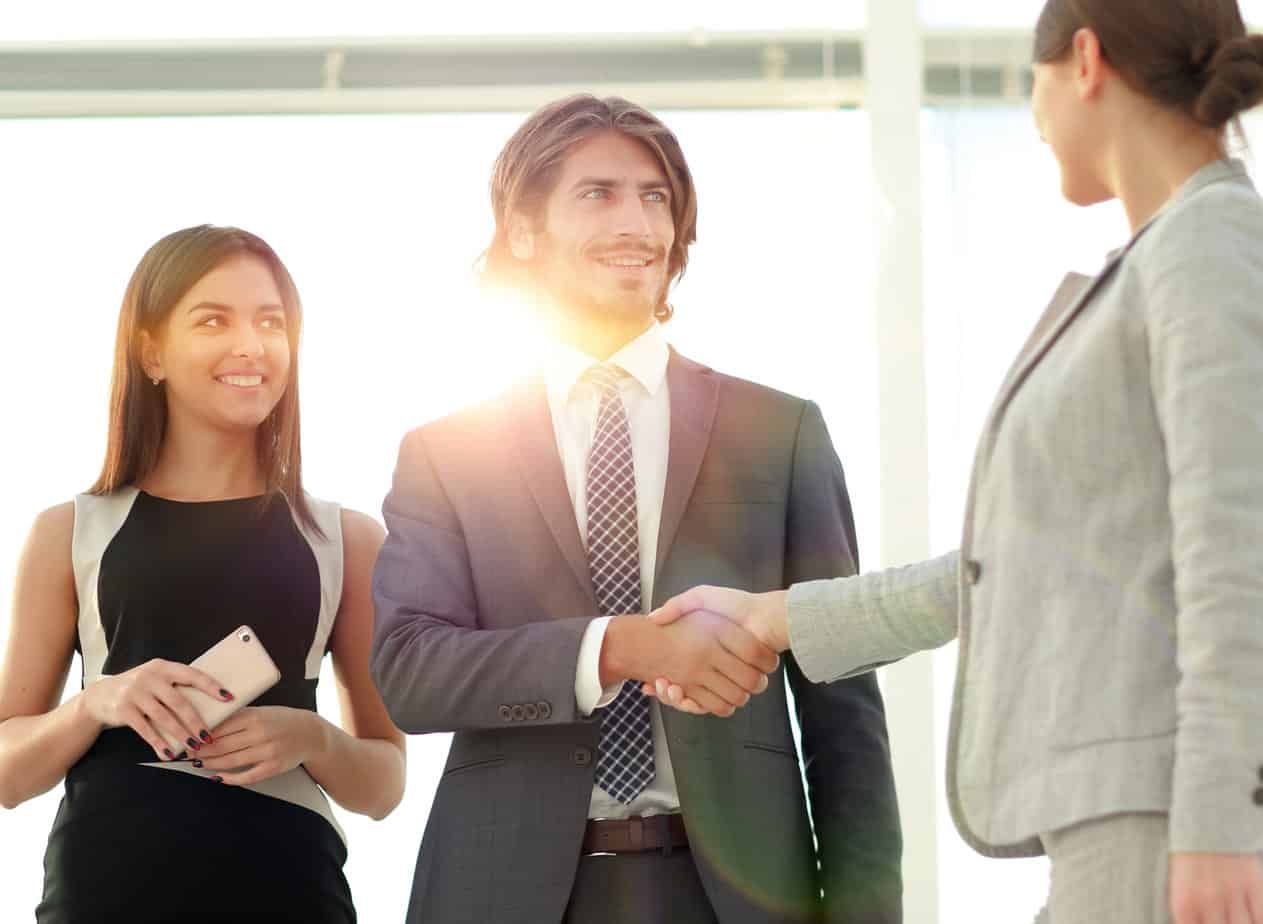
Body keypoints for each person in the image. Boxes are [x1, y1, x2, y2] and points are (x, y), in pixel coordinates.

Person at [647, 2, 1263, 922]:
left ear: (1084, 60)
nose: (1033, 112)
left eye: (1033, 79)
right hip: (1118, 818)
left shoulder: (1205, 247)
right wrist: (772, 618)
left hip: (1166, 821)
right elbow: (1006, 571)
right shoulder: (1160, 260)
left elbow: (1237, 554)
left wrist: (1221, 822)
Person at [370, 94, 902, 924]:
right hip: (504, 893)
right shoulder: (445, 452)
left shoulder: (779, 429)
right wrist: (612, 647)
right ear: (522, 230)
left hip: (734, 893)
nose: (637, 223)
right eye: (599, 194)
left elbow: (842, 702)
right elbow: (411, 672)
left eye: (656, 198)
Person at [0, 225, 406, 923]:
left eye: (269, 321)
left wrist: (314, 739)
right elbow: (7, 774)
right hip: (103, 896)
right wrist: (97, 703)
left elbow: (384, 784)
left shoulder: (345, 538)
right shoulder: (70, 533)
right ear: (152, 351)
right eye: (213, 320)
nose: (250, 345)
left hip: (290, 896)